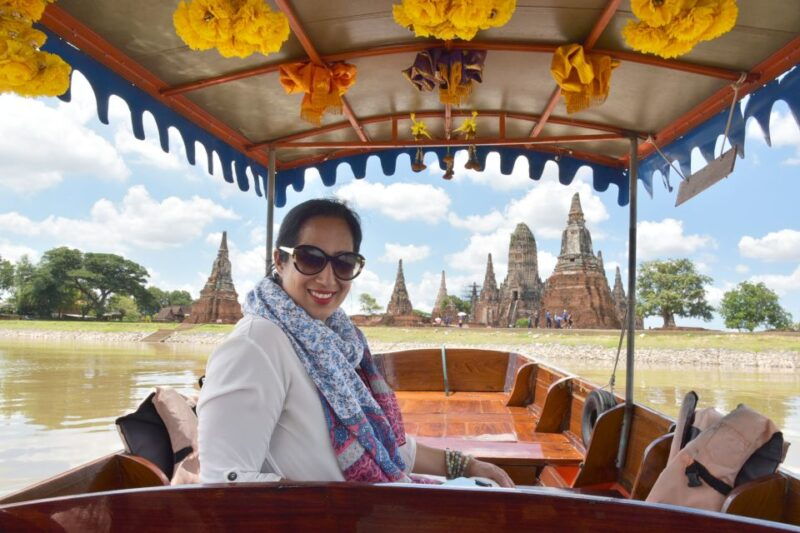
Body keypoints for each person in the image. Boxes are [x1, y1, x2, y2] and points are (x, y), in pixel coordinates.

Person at [198, 199, 513, 487]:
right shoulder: (255, 345)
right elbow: (223, 484)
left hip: (370, 506)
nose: (327, 278)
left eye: (344, 263)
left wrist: (464, 465)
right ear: (280, 260)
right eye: (310, 258)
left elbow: (379, 446)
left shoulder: (338, 345)